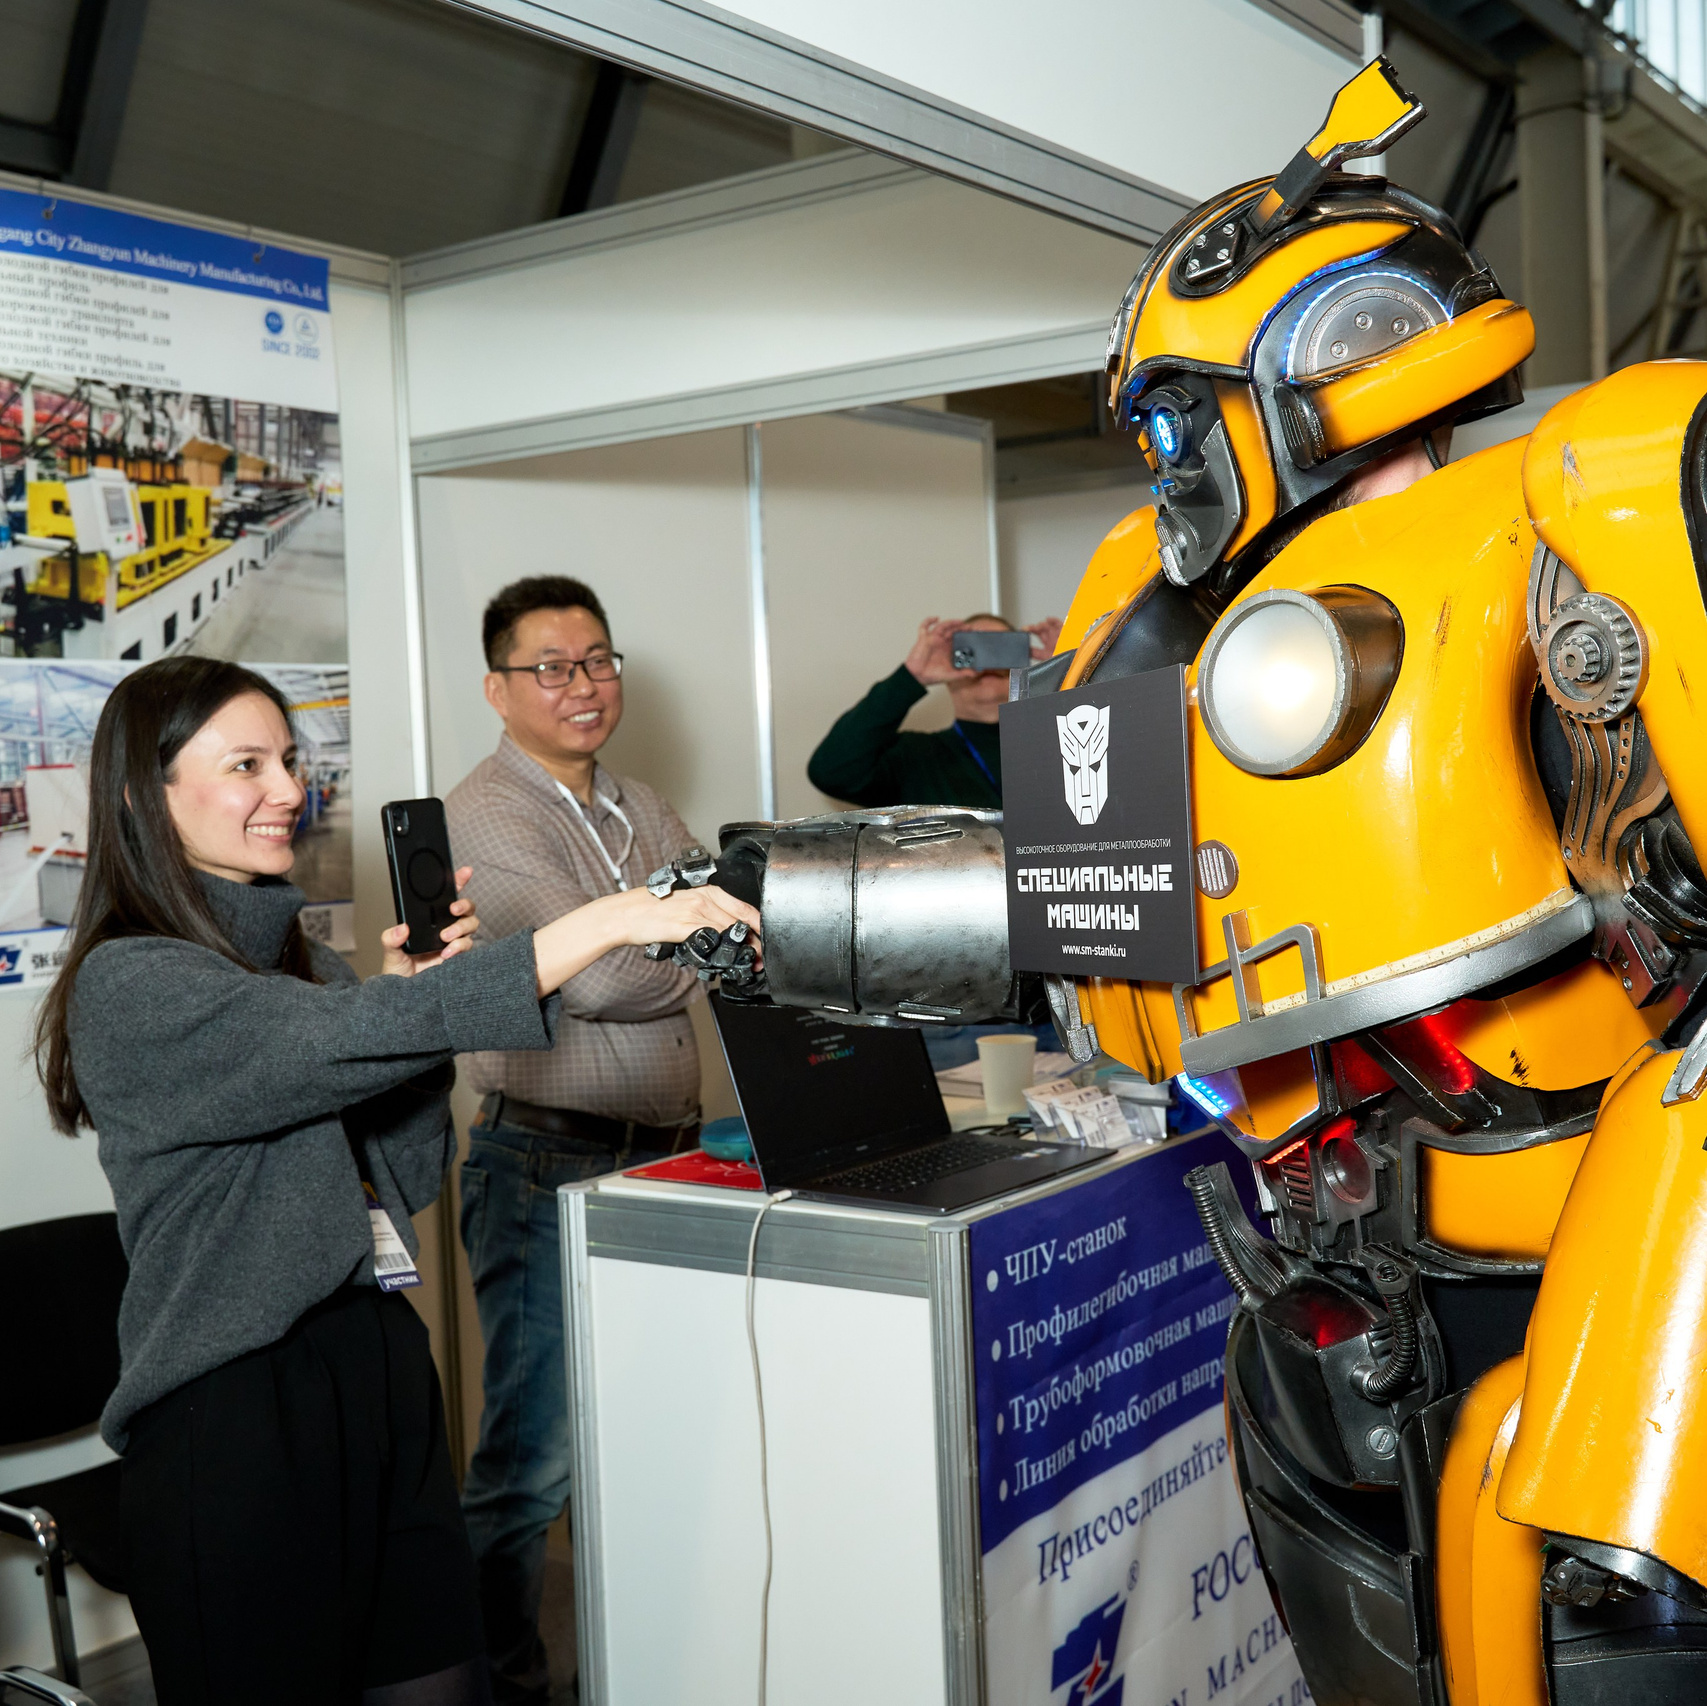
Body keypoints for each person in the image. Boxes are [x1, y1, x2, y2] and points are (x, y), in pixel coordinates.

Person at [34, 655, 755, 1706]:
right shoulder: (132, 980)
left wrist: (414, 1022)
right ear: (149, 795)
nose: (287, 788)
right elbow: (331, 1041)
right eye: (246, 764)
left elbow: (404, 1175)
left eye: (288, 759)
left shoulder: (310, 971)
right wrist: (603, 920)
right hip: (234, 1409)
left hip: (375, 1364)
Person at [443, 576, 705, 1705]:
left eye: (598, 659)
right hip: (546, 1163)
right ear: (498, 688)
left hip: (663, 1155)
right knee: (531, 1462)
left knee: (653, 1439)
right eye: (551, 666)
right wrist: (689, 935)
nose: (583, 685)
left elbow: (730, 917)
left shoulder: (641, 802)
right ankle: (503, 1684)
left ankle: (641, 1665)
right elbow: (599, 978)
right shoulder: (487, 814)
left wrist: (692, 931)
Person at [807, 611, 1062, 810]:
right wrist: (912, 676)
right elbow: (831, 771)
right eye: (974, 649)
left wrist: (1069, 673)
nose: (988, 664)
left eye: (1000, 648)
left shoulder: (1064, 745)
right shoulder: (916, 758)